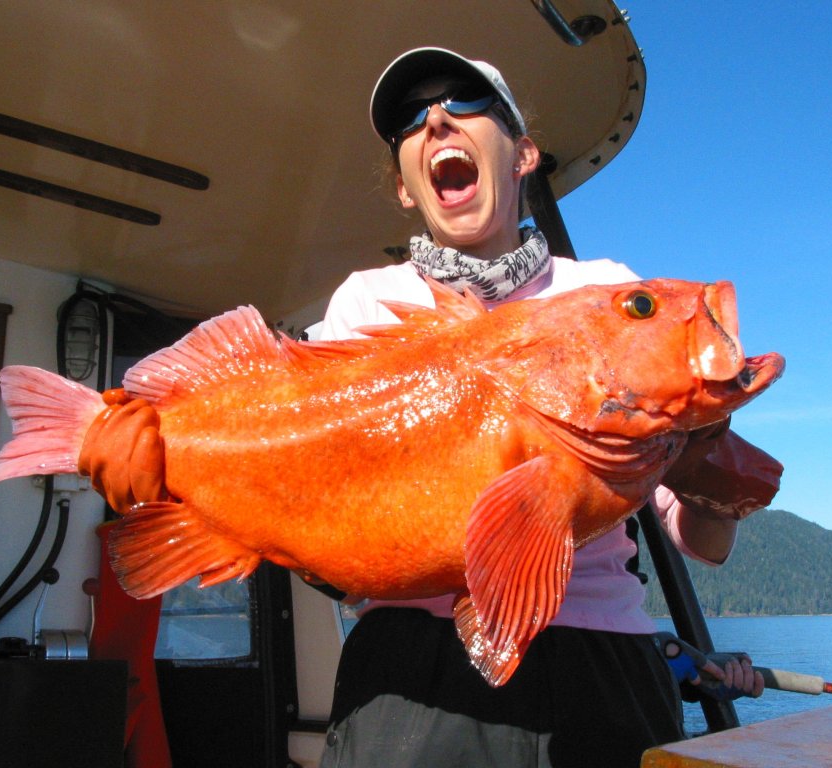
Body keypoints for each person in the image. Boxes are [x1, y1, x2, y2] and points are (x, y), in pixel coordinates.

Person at [79, 47, 778, 767]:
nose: (438, 118)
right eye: (412, 122)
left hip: (603, 661)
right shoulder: (369, 303)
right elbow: (313, 496)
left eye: (468, 103)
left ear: (523, 154)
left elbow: (705, 542)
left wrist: (705, 450)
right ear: (408, 189)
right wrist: (158, 460)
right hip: (411, 671)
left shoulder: (599, 287)